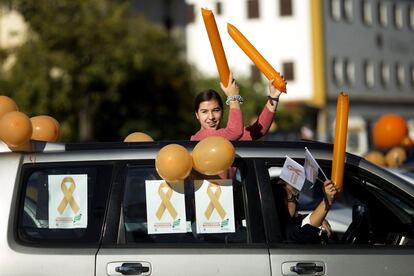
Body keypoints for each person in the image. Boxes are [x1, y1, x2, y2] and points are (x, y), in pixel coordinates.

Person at [191, 72, 283, 141]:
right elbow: (235, 132)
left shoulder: (225, 135)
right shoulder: (200, 138)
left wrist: (273, 97)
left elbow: (258, 131)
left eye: (215, 110)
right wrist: (233, 97)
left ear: (222, 112)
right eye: (204, 112)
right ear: (197, 115)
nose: (211, 117)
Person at [280, 179, 338, 243]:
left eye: (297, 197)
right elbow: (306, 229)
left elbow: (305, 220)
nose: (297, 202)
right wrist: (327, 200)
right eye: (292, 198)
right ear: (282, 204)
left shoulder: (294, 222)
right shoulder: (284, 232)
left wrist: (317, 218)